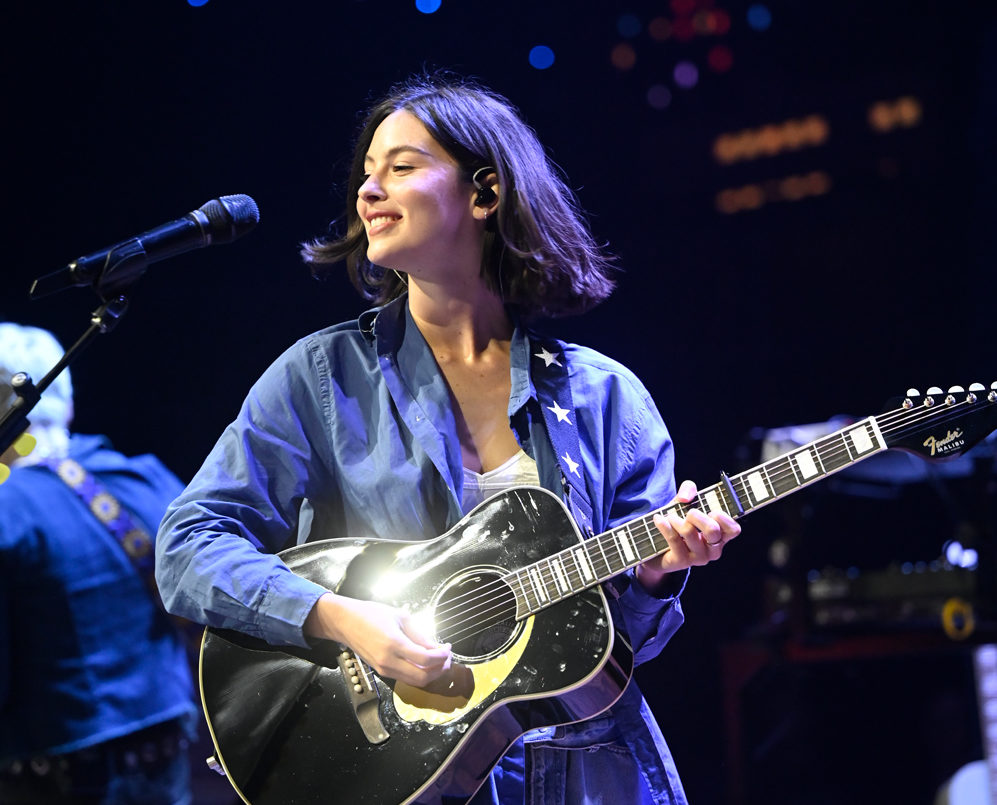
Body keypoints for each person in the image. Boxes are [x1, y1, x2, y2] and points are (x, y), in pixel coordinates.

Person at [155, 72, 741, 804]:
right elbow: (185, 544)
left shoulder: (605, 397)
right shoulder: (321, 375)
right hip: (399, 779)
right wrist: (338, 617)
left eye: (399, 167)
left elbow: (625, 645)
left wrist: (659, 571)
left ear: (484, 193)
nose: (367, 191)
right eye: (365, 173)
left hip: (586, 773)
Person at [0, 323, 197, 805]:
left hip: (54, 773)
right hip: (168, 753)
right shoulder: (146, 478)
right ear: (65, 398)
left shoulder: (8, 509)